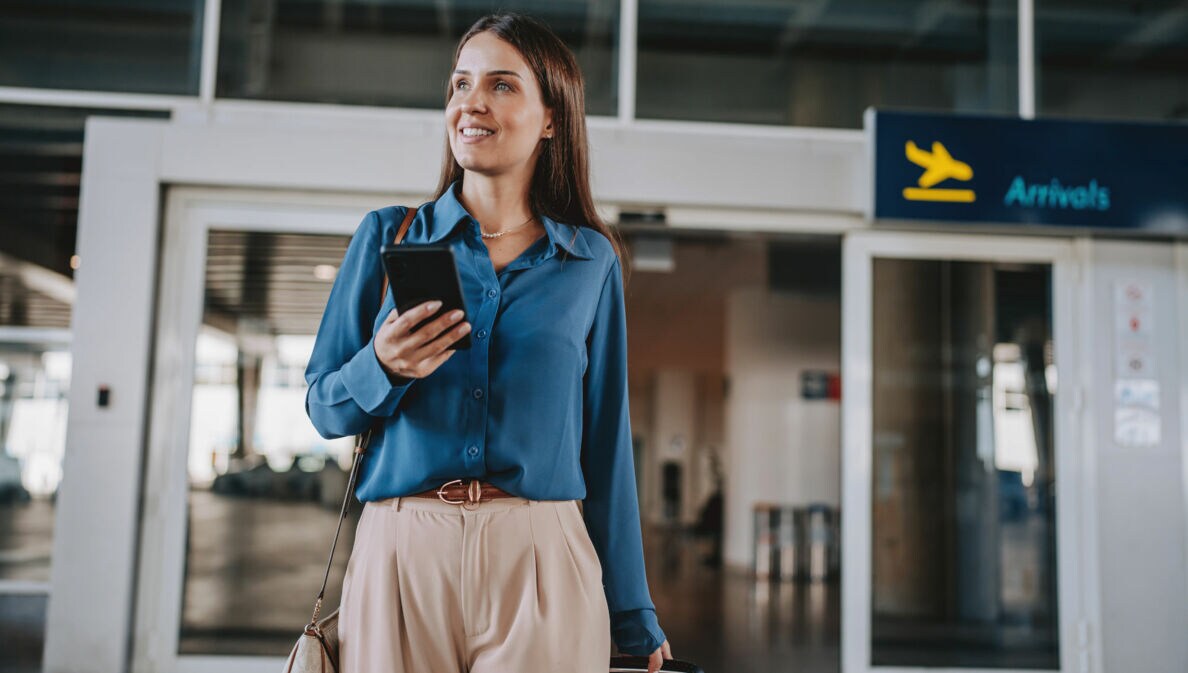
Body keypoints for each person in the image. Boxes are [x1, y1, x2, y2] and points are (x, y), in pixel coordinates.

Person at [304, 12, 673, 673]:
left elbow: (607, 445)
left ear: (551, 117)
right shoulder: (388, 235)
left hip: (541, 551)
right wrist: (382, 366)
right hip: (402, 549)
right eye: (459, 84)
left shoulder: (590, 261)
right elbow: (326, 408)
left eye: (501, 85)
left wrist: (634, 613)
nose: (470, 103)